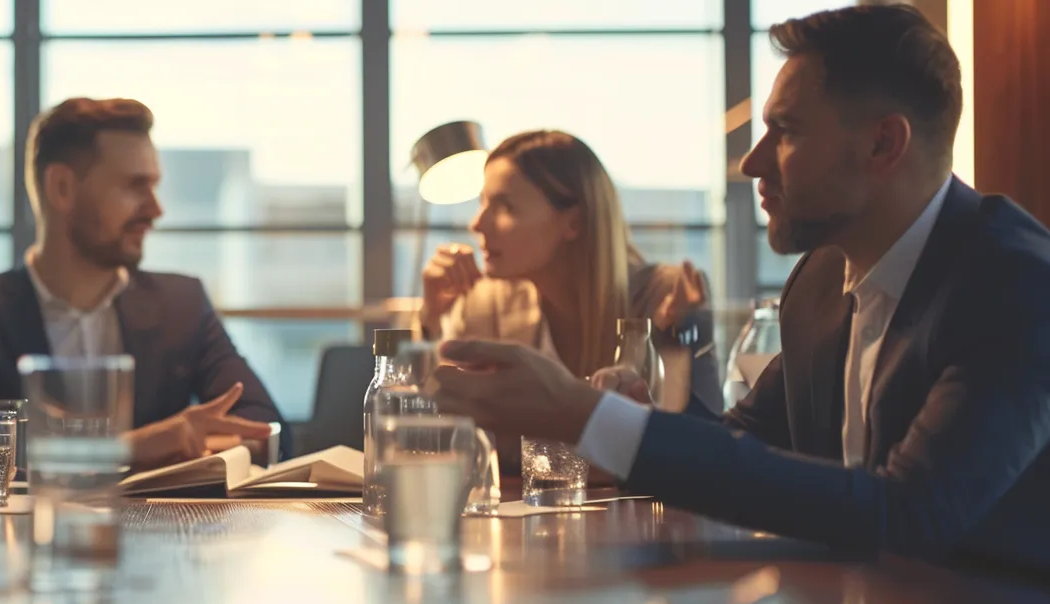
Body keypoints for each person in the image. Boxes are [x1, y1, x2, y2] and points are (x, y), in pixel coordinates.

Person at [432, 5, 1050, 575]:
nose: (752, 162)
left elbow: (911, 514)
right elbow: (741, 438)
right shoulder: (819, 284)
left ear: (883, 143)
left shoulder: (1015, 283)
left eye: (786, 131)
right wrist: (637, 410)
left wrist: (583, 412)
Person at [0, 97, 285, 469]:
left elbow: (264, 429)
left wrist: (197, 441)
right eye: (134, 186)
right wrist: (137, 446)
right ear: (62, 188)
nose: (155, 209)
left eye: (154, 186)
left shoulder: (183, 304)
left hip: (164, 527)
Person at [417, 130, 720, 417]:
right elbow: (433, 410)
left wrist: (688, 333)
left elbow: (702, 439)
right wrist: (431, 316)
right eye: (483, 204)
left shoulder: (665, 295)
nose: (477, 224)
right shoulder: (487, 303)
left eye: (505, 206)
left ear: (574, 222)